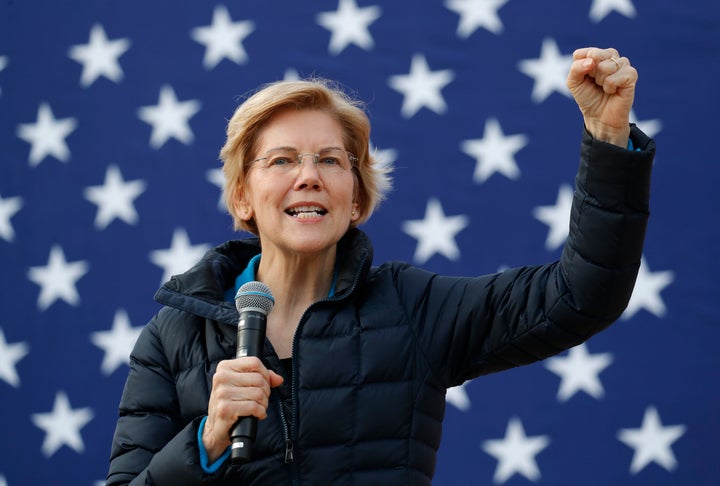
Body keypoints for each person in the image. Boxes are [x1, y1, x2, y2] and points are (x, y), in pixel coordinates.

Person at [107, 47, 655, 485]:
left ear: (355, 200)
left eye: (329, 160)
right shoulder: (174, 336)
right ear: (243, 197)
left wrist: (608, 137)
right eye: (281, 160)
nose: (308, 176)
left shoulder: (413, 307)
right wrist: (206, 441)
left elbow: (583, 293)